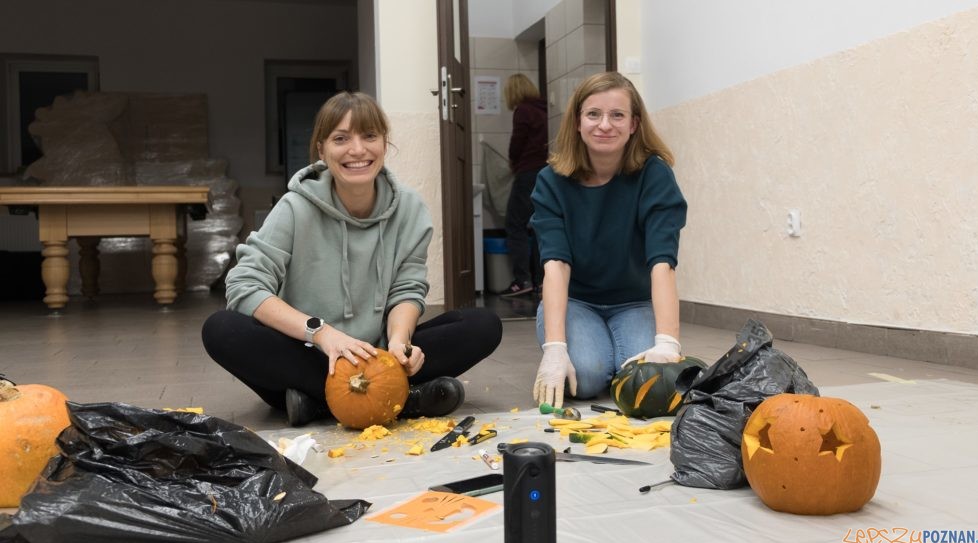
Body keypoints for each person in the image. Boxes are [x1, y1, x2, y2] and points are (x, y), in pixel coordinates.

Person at [202, 91, 502, 427]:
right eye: (341, 138)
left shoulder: (410, 209)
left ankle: (319, 403)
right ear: (322, 149)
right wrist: (322, 334)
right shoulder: (294, 208)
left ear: (384, 144)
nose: (357, 150)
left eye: (369, 136)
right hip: (309, 356)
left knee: (482, 326)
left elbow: (408, 287)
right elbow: (244, 285)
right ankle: (401, 399)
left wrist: (401, 341)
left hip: (379, 356)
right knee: (222, 330)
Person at [530, 72, 688, 408]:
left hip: (633, 302)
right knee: (586, 378)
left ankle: (616, 356)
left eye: (617, 115)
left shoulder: (654, 175)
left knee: (646, 381)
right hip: (577, 302)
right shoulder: (550, 182)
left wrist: (667, 342)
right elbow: (555, 264)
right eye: (593, 114)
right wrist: (555, 349)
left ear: (633, 124)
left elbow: (663, 262)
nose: (605, 125)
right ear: (577, 122)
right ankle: (575, 348)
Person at [499, 74, 548, 297]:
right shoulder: (544, 109)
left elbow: (517, 143)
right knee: (540, 226)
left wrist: (513, 161)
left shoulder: (523, 110)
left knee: (514, 224)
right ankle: (541, 280)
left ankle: (522, 279)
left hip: (528, 172)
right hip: (546, 172)